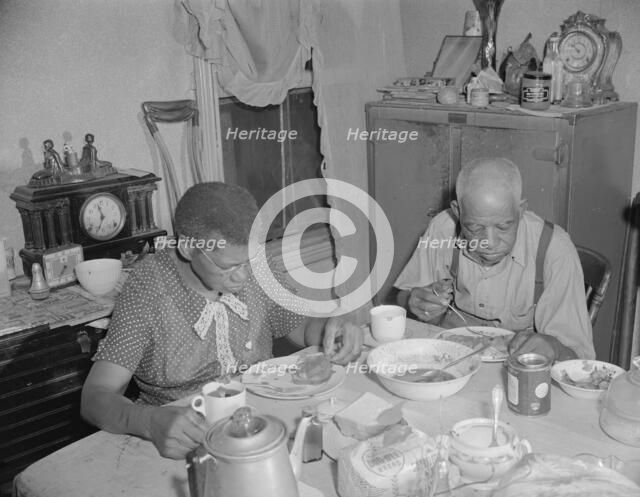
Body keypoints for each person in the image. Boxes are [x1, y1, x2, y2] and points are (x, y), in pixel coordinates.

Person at [81, 182, 363, 460]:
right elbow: (94, 398)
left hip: (255, 424)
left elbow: (299, 327)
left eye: (248, 261)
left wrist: (331, 330)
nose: (243, 277)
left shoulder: (256, 267)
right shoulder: (149, 287)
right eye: (228, 267)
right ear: (189, 248)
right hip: (181, 439)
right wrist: (149, 421)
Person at [394, 157, 594, 361]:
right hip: (451, 352)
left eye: (503, 226)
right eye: (474, 227)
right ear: (457, 212)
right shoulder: (443, 228)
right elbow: (404, 297)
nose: (489, 242)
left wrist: (554, 347)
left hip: (519, 363)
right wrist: (413, 300)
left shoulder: (554, 249)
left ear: (521, 209)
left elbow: (580, 358)